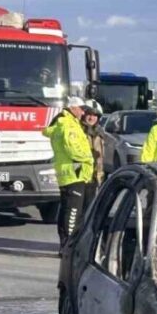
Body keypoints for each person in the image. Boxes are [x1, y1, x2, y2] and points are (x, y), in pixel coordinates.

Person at [43, 97, 94, 245]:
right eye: (81, 108)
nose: (83, 112)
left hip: (68, 172)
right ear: (73, 108)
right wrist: (88, 158)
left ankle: (65, 242)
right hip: (74, 172)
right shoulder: (68, 125)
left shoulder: (65, 123)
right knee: (73, 212)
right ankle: (69, 244)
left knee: (66, 209)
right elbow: (71, 149)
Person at [81, 101, 105, 213]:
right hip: (80, 177)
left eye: (95, 115)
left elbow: (100, 158)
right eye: (89, 114)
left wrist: (100, 175)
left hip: (93, 177)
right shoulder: (78, 130)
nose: (92, 118)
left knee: (90, 210)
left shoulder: (99, 133)